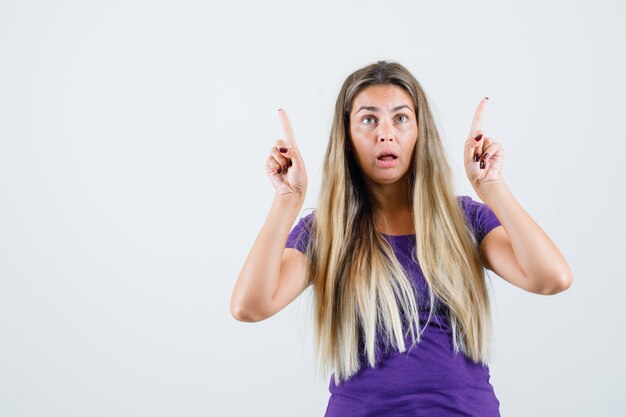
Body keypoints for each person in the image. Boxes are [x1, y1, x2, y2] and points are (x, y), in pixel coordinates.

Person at [230, 60, 573, 416]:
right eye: (368, 119)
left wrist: (492, 187)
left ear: (419, 131)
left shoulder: (464, 220)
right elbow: (250, 307)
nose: (385, 133)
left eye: (400, 118)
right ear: (346, 138)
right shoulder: (326, 231)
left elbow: (551, 279)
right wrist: (287, 201)